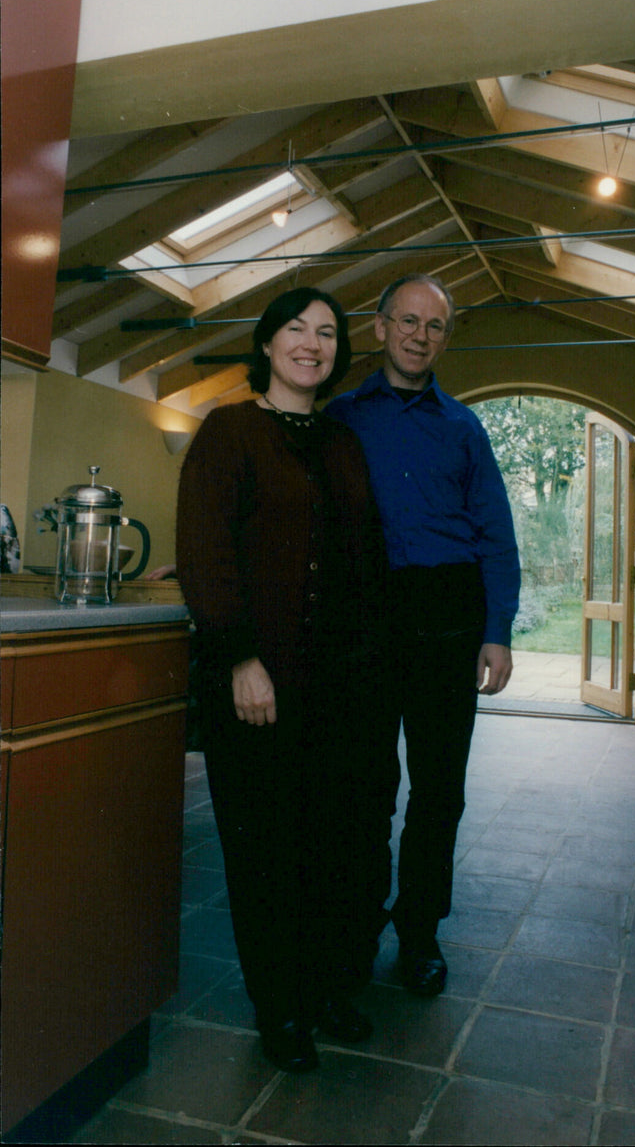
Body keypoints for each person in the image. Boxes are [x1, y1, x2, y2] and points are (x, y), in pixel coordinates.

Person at [176, 287, 391, 1073]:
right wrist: (239, 659)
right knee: (266, 852)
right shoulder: (228, 431)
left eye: (327, 333)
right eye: (296, 330)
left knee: (334, 846)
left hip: (340, 689)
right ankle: (281, 1010)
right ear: (267, 345)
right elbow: (205, 551)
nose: (313, 343)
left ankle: (329, 989)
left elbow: (365, 562)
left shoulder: (342, 443)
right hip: (256, 685)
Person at [326, 273, 520, 997]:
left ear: (445, 337)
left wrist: (496, 632)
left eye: (433, 326)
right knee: (364, 789)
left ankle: (419, 936)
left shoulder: (464, 427)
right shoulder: (341, 417)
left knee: (439, 790)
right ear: (379, 327)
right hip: (368, 616)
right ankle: (354, 930)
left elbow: (495, 534)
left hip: (448, 613)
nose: (418, 335)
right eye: (406, 321)